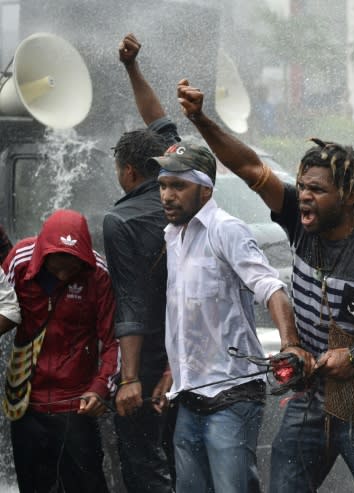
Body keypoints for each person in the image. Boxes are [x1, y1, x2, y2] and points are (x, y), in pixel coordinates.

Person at [175, 79, 354, 493]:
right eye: (302, 187)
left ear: (350, 195)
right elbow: (249, 169)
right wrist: (200, 119)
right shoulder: (298, 223)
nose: (303, 197)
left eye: (317, 189)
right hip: (308, 398)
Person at [150, 140, 296, 493]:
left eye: (178, 186)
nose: (168, 196)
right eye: (164, 185)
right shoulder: (173, 235)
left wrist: (291, 344)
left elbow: (270, 287)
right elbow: (186, 317)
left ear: (205, 189)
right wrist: (172, 372)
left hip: (232, 396)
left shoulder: (226, 229)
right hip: (188, 394)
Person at [103, 33, 179, 493]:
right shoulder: (183, 178)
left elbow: (129, 302)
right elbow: (159, 120)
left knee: (143, 461)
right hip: (194, 349)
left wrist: (128, 377)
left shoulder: (121, 219)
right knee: (186, 454)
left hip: (151, 355)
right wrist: (132, 67)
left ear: (130, 173)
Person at [2, 209, 118, 493]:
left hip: (76, 405)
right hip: (27, 404)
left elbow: (114, 340)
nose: (64, 274)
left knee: (87, 485)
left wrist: (100, 387)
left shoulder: (98, 274)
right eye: (57, 266)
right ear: (43, 256)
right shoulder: (19, 260)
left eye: (72, 267)